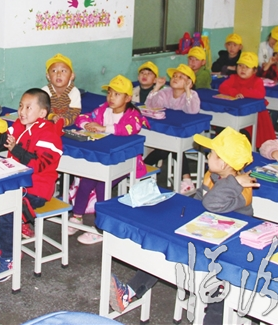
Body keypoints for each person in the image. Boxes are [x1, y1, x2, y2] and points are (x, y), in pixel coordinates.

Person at [110, 128, 259, 315]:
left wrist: (234, 184)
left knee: (219, 297)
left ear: (223, 162)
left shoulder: (242, 189)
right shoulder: (212, 175)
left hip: (227, 253)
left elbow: (212, 203)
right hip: (205, 236)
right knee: (164, 248)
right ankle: (128, 293)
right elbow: (199, 202)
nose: (207, 156)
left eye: (212, 153)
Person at [0, 89, 63, 279]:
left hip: (36, 188)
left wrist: (16, 149)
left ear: (42, 113)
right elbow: (2, 141)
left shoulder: (50, 135)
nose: (22, 111)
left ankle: (9, 256)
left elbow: (38, 165)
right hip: (14, 182)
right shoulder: (19, 125)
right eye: (21, 106)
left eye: (28, 107)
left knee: (6, 209)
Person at [71, 75, 149, 244]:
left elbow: (129, 129)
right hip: (103, 159)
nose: (111, 98)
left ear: (128, 98)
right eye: (109, 93)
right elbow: (82, 117)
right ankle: (77, 216)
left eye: (117, 94)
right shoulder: (103, 109)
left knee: (102, 184)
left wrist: (103, 128)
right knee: (86, 180)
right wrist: (87, 125)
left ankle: (102, 227)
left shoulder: (133, 115)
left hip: (125, 161)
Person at [143, 64, 201, 193]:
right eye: (174, 76)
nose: (175, 78)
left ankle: (186, 180)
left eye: (181, 77)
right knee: (165, 148)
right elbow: (150, 106)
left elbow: (192, 110)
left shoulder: (192, 94)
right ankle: (142, 168)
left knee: (173, 146)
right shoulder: (165, 92)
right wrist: (157, 87)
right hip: (167, 132)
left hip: (186, 133)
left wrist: (187, 91)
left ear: (189, 83)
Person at [217, 52, 277, 149]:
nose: (243, 69)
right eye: (240, 66)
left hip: (255, 114)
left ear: (254, 70)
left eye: (247, 67)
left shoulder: (257, 81)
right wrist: (235, 92)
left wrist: (243, 92)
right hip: (236, 112)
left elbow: (260, 94)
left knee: (253, 139)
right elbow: (222, 87)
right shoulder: (233, 78)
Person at [43, 53, 81, 127]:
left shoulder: (74, 92)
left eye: (63, 71)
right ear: (48, 76)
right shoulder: (44, 92)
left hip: (66, 123)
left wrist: (64, 121)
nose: (58, 74)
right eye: (54, 71)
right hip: (49, 123)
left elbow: (74, 113)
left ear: (71, 76)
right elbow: (40, 111)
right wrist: (52, 117)